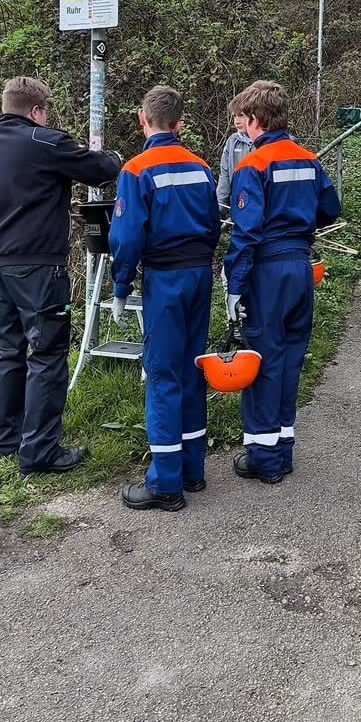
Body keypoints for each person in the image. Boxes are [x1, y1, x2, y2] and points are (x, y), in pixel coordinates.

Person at [0, 76, 122, 476]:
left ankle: (5, 443)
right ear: (36, 111)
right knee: (47, 353)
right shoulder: (44, 142)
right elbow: (99, 170)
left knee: (7, 350)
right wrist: (113, 155)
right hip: (39, 265)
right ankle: (40, 451)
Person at [223, 79, 341, 485]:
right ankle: (283, 449)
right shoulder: (309, 160)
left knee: (262, 360)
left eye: (244, 120)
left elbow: (246, 233)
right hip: (301, 266)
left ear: (256, 119)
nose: (243, 128)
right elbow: (331, 208)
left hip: (267, 272)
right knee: (291, 360)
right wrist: (299, 228)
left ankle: (264, 458)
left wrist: (234, 284)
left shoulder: (252, 165)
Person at [110, 85, 221, 512]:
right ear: (179, 124)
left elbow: (127, 237)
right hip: (199, 274)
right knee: (192, 368)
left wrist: (121, 286)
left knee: (162, 374)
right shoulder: (201, 167)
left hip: (165, 278)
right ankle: (192, 470)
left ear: (143, 119)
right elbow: (214, 224)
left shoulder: (136, 170)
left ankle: (165, 483)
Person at [216, 111, 253, 216]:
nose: (236, 121)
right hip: (239, 209)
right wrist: (217, 211)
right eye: (234, 116)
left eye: (241, 115)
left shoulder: (267, 142)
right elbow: (224, 178)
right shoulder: (232, 141)